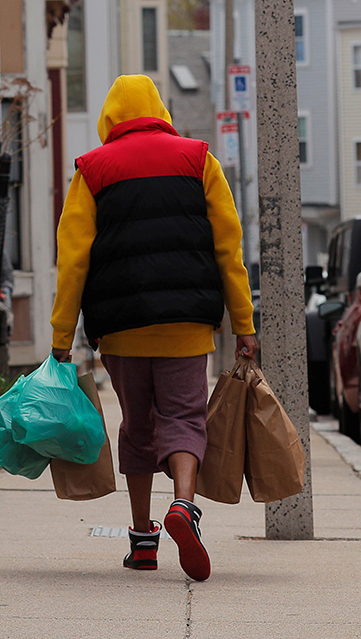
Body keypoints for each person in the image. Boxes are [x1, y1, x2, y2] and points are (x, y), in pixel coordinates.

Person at [50, 74, 259, 582]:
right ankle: (184, 507)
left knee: (137, 424)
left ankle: (143, 541)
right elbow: (228, 250)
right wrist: (244, 323)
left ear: (111, 118)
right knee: (186, 418)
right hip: (188, 323)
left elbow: (73, 261)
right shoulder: (198, 160)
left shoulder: (91, 170)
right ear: (160, 110)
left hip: (121, 329)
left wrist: (61, 339)